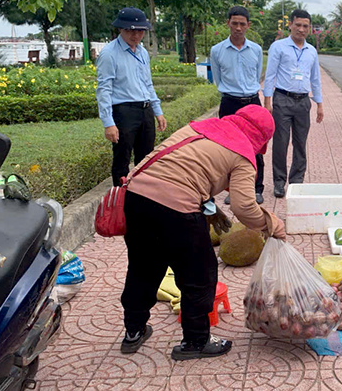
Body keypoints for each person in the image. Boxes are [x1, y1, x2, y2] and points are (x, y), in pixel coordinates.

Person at [119, 105, 286, 361]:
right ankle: (196, 342)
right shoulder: (242, 153)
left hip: (135, 197)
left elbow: (180, 167)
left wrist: (207, 205)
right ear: (261, 139)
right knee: (199, 274)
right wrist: (272, 223)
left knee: (144, 267)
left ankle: (133, 331)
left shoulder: (199, 127)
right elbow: (243, 208)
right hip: (176, 210)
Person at [96, 7, 167, 187]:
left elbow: (147, 84)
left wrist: (157, 111)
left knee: (146, 160)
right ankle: (121, 203)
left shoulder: (142, 52)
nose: (135, 35)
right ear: (121, 29)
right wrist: (108, 123)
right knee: (122, 159)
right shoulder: (109, 54)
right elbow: (104, 89)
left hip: (145, 109)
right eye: (130, 30)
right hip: (124, 111)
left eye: (140, 31)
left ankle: (142, 198)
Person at [263, 9, 324, 198]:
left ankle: (297, 182)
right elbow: (270, 74)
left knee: (300, 143)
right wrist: (267, 101)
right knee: (280, 143)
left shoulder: (311, 51)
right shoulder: (279, 47)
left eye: (306, 26)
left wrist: (319, 103)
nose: (301, 29)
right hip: (282, 99)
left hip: (303, 101)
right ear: (290, 25)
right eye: (298, 25)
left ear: (310, 29)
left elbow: (315, 79)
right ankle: (279, 182)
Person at [210, 5, 266, 204]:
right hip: (230, 102)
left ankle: (257, 188)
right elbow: (217, 79)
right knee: (228, 148)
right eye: (234, 23)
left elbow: (257, 74)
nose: (238, 28)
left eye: (242, 24)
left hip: (252, 102)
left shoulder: (256, 50)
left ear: (248, 25)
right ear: (228, 24)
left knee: (257, 147)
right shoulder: (217, 51)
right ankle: (232, 191)